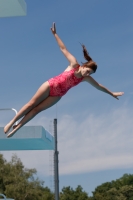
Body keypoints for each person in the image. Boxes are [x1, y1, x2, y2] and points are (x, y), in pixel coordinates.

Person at [4, 22, 124, 138]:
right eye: (88, 71)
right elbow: (63, 49)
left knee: (36, 110)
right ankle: (12, 122)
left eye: (90, 73)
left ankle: (18, 127)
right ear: (84, 66)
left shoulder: (84, 78)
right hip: (50, 85)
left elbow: (98, 86)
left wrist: (111, 93)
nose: (87, 74)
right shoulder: (73, 64)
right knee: (32, 104)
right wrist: (55, 34)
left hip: (57, 95)